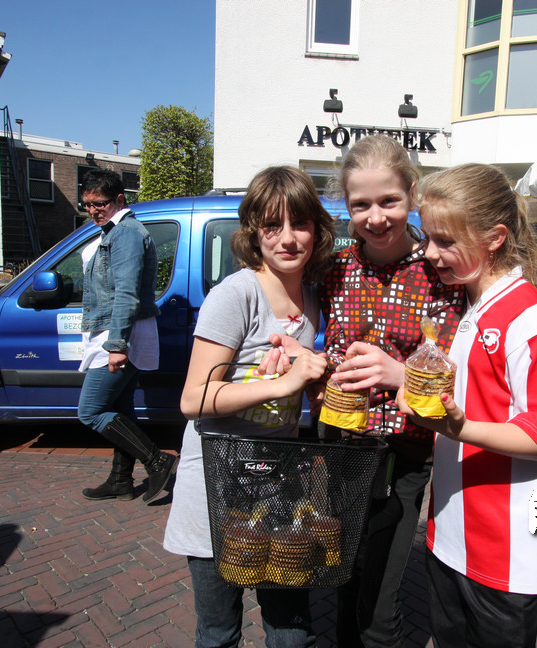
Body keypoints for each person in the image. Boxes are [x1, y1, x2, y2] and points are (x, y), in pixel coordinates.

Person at [264, 135, 465, 648]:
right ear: (346, 206)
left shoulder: (440, 271)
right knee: (346, 572)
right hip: (341, 443)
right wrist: (305, 364)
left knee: (378, 600)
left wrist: (400, 374)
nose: (375, 217)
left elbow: (463, 370)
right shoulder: (333, 269)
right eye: (361, 205)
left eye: (389, 201)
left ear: (412, 194)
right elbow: (287, 300)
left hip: (406, 450)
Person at [397, 163, 537, 648]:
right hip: (451, 534)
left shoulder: (533, 322)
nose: (428, 252)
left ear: (495, 238)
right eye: (426, 237)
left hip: (507, 548)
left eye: (444, 240)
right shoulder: (471, 307)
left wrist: (456, 428)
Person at [163, 166, 335, 648]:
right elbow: (194, 398)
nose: (287, 238)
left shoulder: (312, 298)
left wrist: (317, 386)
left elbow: (302, 386)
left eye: (300, 224)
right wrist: (283, 384)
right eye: (272, 226)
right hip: (217, 487)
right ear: (253, 232)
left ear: (317, 230)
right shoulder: (235, 295)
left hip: (279, 486)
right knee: (219, 632)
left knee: (292, 631)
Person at [76, 169, 176, 503]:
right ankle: (120, 480)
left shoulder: (126, 234)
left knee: (91, 411)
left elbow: (126, 294)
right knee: (121, 407)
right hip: (118, 331)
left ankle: (158, 461)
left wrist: (117, 345)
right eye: (87, 204)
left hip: (120, 333)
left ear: (119, 199)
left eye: (100, 204)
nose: (93, 211)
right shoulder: (113, 232)